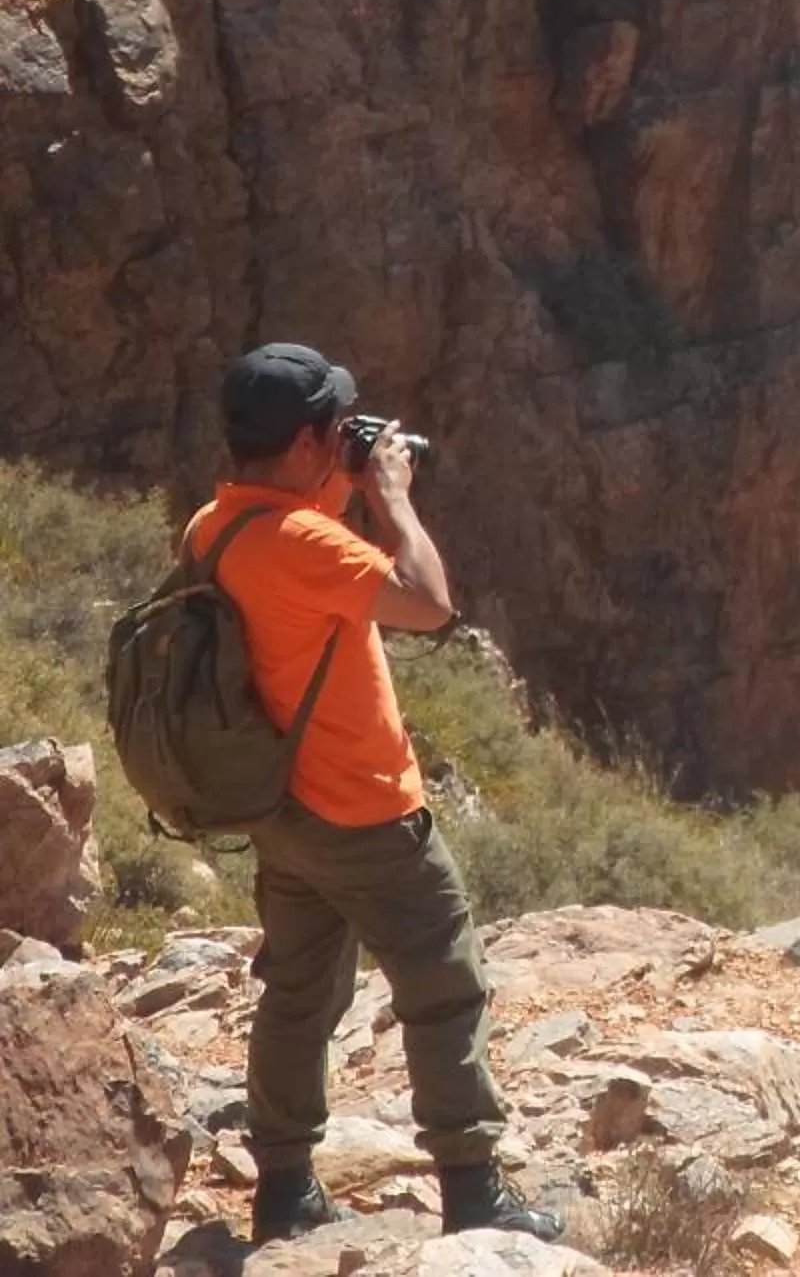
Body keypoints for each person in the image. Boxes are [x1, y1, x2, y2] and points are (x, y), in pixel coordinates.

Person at [194, 343, 562, 1246]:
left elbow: (294, 550)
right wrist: (392, 494)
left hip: (282, 813)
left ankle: (283, 1190)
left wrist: (340, 481)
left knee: (298, 994)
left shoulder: (216, 526)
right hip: (365, 809)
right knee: (444, 988)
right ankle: (473, 1192)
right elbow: (428, 602)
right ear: (315, 436)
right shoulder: (311, 543)